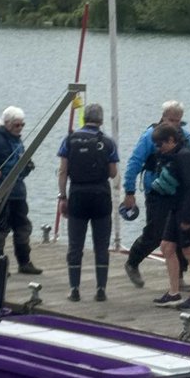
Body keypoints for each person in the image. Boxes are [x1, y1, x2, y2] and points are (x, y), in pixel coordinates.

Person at [121, 100, 190, 288]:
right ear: (163, 117)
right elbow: (134, 163)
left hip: (179, 192)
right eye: (171, 119)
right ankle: (133, 262)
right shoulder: (150, 137)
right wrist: (129, 191)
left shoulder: (186, 137)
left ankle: (179, 276)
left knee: (180, 233)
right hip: (156, 190)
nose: (174, 124)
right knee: (156, 232)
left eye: (178, 121)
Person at [57, 103, 119, 302]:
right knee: (101, 245)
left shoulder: (70, 140)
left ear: (84, 118)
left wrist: (62, 197)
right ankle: (101, 289)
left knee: (75, 245)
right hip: (100, 196)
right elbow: (112, 173)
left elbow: (63, 172)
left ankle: (74, 289)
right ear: (100, 120)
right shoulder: (108, 142)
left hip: (77, 195)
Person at [0, 106, 42, 274]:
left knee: (23, 227)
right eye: (16, 125)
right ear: (8, 124)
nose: (20, 129)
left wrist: (27, 167)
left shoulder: (18, 141)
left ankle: (24, 262)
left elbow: (19, 166)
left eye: (22, 125)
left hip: (17, 191)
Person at [150, 123, 190, 311]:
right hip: (176, 206)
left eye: (161, 144)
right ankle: (174, 293)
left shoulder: (186, 157)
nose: (159, 148)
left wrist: (188, 218)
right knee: (166, 246)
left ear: (172, 140)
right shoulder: (171, 156)